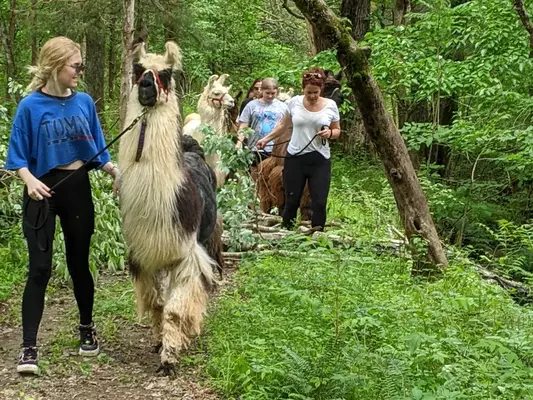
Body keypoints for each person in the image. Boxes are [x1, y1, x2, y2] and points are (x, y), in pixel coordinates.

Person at [4, 36, 119, 375]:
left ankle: (86, 329)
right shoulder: (30, 106)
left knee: (78, 262)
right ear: (55, 66)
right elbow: (17, 155)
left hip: (77, 188)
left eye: (81, 66)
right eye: (76, 66)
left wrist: (115, 171)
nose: (79, 72)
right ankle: (29, 348)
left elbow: (97, 148)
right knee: (39, 268)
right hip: (41, 190)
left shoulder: (83, 102)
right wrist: (29, 180)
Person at [256, 68, 341, 230]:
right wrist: (266, 139)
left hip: (320, 159)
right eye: (309, 92)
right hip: (295, 158)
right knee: (291, 200)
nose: (312, 96)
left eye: (316, 92)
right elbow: (283, 125)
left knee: (319, 201)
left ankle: (317, 234)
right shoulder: (294, 102)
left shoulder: (330, 105)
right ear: (303, 89)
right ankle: (286, 233)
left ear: (321, 89)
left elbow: (337, 130)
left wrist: (330, 133)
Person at [238, 77, 289, 164]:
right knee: (255, 175)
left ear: (277, 92)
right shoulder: (251, 105)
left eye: (273, 93)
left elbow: (287, 127)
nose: (270, 96)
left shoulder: (283, 107)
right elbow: (243, 126)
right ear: (261, 90)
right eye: (267, 93)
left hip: (277, 150)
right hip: (255, 149)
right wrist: (239, 143)